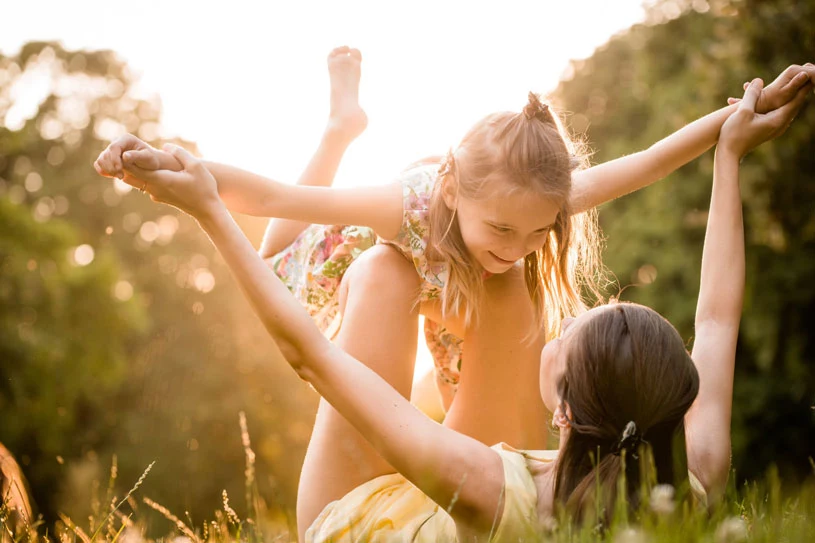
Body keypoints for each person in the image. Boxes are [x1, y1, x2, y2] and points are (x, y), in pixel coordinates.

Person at [95, 50, 814, 537]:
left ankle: (339, 127)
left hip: (368, 486)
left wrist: (190, 189)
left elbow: (306, 351)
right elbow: (715, 316)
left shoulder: (488, 486)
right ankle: (339, 129)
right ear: (670, 402)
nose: (525, 249)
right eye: (506, 228)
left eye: (568, 340)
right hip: (333, 259)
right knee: (395, 266)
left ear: (564, 406)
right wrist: (729, 140)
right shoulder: (690, 481)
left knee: (404, 276)